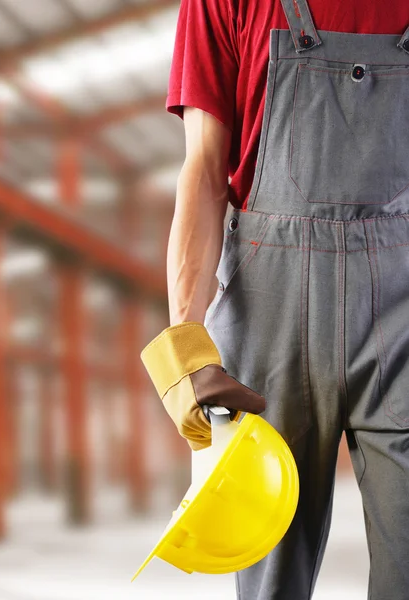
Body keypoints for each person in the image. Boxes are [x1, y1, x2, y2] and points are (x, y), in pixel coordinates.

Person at [140, 1, 409, 598]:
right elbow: (205, 169)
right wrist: (185, 345)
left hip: (404, 305)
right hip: (271, 308)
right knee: (269, 572)